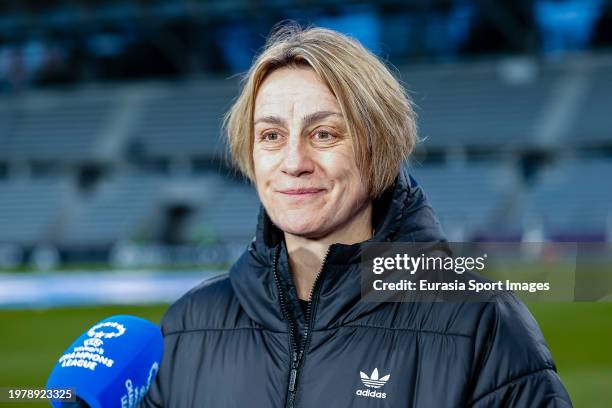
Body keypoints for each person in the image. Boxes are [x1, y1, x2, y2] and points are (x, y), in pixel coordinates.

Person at [141, 24, 572, 407]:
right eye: (271, 135)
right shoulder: (188, 325)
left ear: (378, 146)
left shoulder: (481, 322)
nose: (294, 162)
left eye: (324, 134)